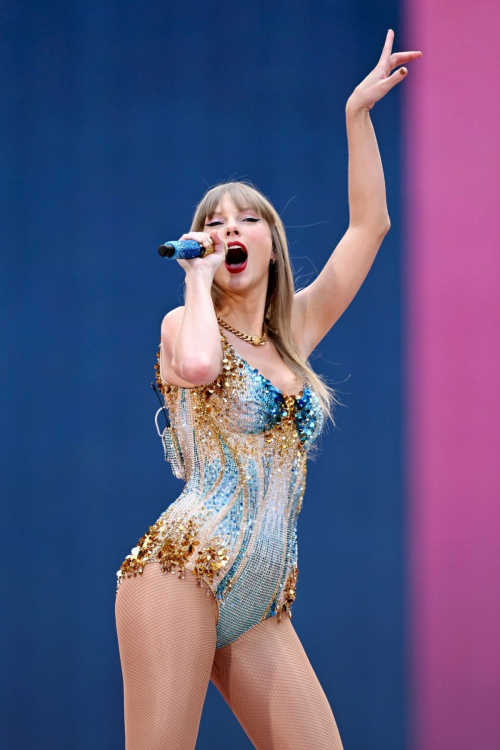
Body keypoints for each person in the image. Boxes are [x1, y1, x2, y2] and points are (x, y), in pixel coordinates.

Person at [114, 30, 420, 750]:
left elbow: (370, 226)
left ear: (273, 242)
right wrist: (194, 278)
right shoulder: (184, 324)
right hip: (181, 570)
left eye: (246, 218)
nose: (230, 230)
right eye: (213, 226)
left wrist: (357, 117)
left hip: (260, 598)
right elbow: (194, 370)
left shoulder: (296, 330)